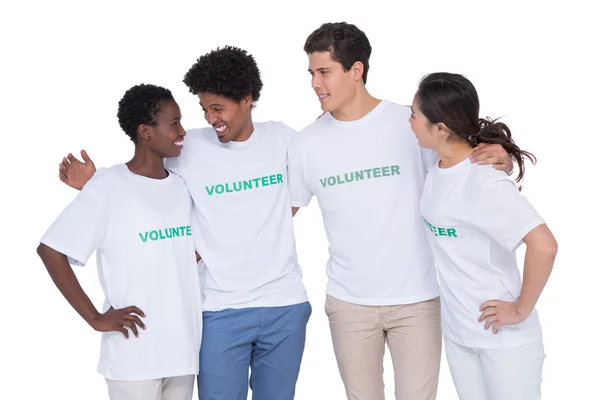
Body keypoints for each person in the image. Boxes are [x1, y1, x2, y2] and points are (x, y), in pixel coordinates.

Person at [56, 46, 311, 400]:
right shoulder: (190, 148)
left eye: (217, 108)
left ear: (247, 99)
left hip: (285, 302)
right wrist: (95, 181)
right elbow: (140, 180)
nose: (209, 119)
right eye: (204, 109)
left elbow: (294, 203)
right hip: (219, 308)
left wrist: (247, 231)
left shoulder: (283, 139)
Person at [286, 22, 514, 400]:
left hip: (417, 300)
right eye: (311, 73)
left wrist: (499, 158)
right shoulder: (306, 144)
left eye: (324, 71)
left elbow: (458, 166)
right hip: (349, 304)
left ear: (355, 70)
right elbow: (279, 217)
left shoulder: (409, 124)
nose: (315, 83)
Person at [38, 84, 202, 400]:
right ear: (145, 132)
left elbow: (179, 253)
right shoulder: (108, 186)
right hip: (134, 355)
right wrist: (95, 318)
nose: (183, 131)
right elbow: (51, 249)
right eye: (174, 123)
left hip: (183, 350)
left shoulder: (183, 187)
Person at [409, 72, 558, 400]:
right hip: (461, 335)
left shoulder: (484, 181)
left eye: (414, 115)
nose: (410, 122)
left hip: (505, 342)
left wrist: (520, 309)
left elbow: (544, 245)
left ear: (441, 128)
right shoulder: (437, 167)